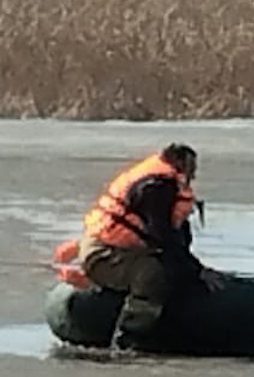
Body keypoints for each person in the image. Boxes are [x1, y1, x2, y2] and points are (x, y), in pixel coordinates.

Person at [64, 143, 224, 348]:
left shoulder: (165, 184)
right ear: (182, 164)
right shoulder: (156, 187)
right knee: (154, 274)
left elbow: (173, 239)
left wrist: (190, 267)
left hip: (119, 250)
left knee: (168, 266)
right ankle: (128, 339)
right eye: (192, 168)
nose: (194, 175)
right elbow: (162, 237)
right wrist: (197, 271)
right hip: (104, 254)